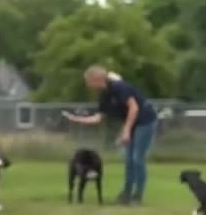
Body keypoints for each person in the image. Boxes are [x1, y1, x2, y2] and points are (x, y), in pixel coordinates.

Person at [62, 65, 158, 205]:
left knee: (137, 158)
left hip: (145, 121)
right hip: (132, 123)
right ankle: (126, 194)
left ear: (96, 79)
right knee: (129, 159)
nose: (88, 85)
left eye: (88, 81)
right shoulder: (105, 95)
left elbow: (134, 108)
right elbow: (98, 117)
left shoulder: (120, 87)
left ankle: (137, 196)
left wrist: (125, 130)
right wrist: (77, 119)